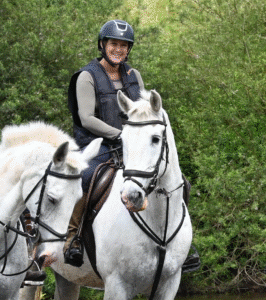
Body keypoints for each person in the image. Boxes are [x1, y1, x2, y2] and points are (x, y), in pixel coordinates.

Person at [66, 19, 200, 271]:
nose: (118, 49)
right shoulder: (86, 76)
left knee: (180, 182)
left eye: (124, 45)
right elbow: (86, 118)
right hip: (96, 144)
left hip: (130, 145)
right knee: (84, 177)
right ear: (103, 45)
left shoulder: (133, 75)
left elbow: (143, 112)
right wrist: (119, 135)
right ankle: (73, 237)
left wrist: (135, 137)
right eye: (114, 44)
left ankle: (180, 244)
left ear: (129, 49)